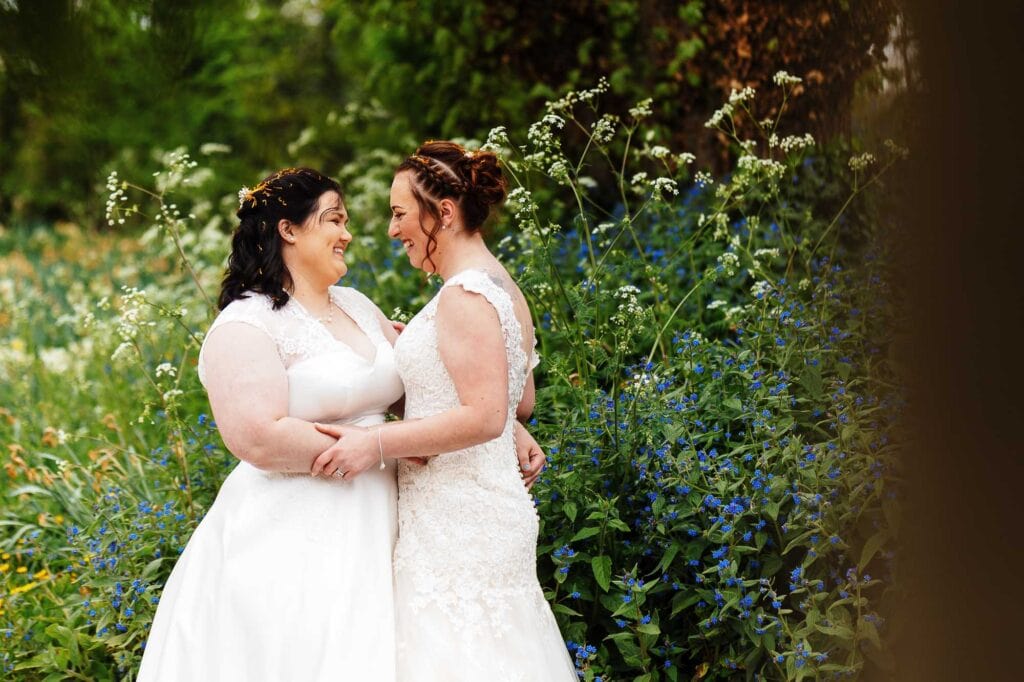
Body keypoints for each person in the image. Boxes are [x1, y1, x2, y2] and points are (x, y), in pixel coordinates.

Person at [137, 167, 546, 681]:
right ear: (289, 229)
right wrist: (382, 448)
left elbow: (426, 384)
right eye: (334, 220)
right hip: (295, 532)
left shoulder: (356, 307)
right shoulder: (247, 323)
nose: (349, 234)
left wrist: (507, 424)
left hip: (386, 524)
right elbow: (256, 435)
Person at [312, 143, 577, 681]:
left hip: (457, 522)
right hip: (482, 509)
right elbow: (518, 403)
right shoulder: (502, 286)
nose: (392, 229)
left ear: (445, 213)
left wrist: (377, 441)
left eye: (400, 213)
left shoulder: (464, 295)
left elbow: (485, 416)